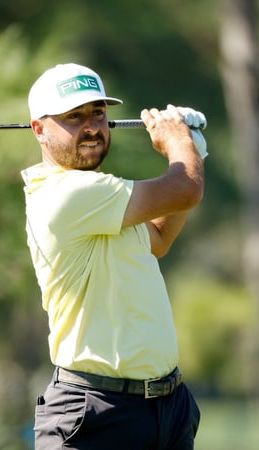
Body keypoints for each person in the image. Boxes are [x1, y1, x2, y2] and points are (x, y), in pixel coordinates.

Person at [22, 63, 205, 449]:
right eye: (74, 116)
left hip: (166, 410)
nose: (91, 126)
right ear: (39, 129)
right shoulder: (66, 195)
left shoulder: (102, 194)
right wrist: (179, 144)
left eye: (98, 113)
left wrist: (193, 150)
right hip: (96, 415)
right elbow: (186, 188)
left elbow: (157, 238)